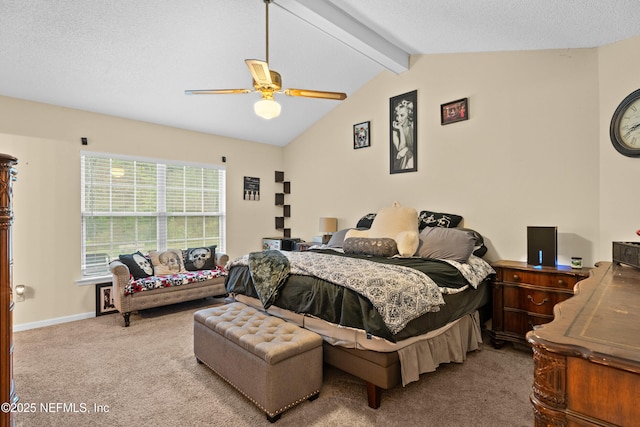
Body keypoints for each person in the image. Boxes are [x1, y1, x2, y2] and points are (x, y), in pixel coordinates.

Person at [392, 99, 414, 170]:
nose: (399, 119)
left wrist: (407, 149)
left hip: (412, 159)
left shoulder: (413, 126)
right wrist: (401, 130)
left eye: (402, 115)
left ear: (408, 114)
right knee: (407, 153)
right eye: (397, 115)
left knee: (408, 153)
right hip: (400, 161)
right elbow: (401, 149)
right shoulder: (394, 131)